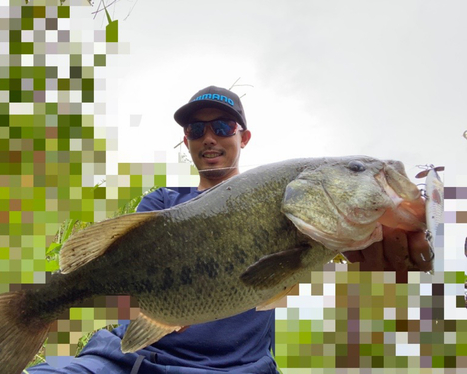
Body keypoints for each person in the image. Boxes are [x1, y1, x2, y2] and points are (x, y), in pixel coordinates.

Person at [27, 86, 431, 374]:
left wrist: (391, 278)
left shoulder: (320, 232)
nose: (209, 138)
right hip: (115, 361)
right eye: (196, 130)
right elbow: (134, 302)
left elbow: (355, 297)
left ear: (244, 137)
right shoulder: (162, 201)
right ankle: (27, 313)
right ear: (185, 141)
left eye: (222, 127)